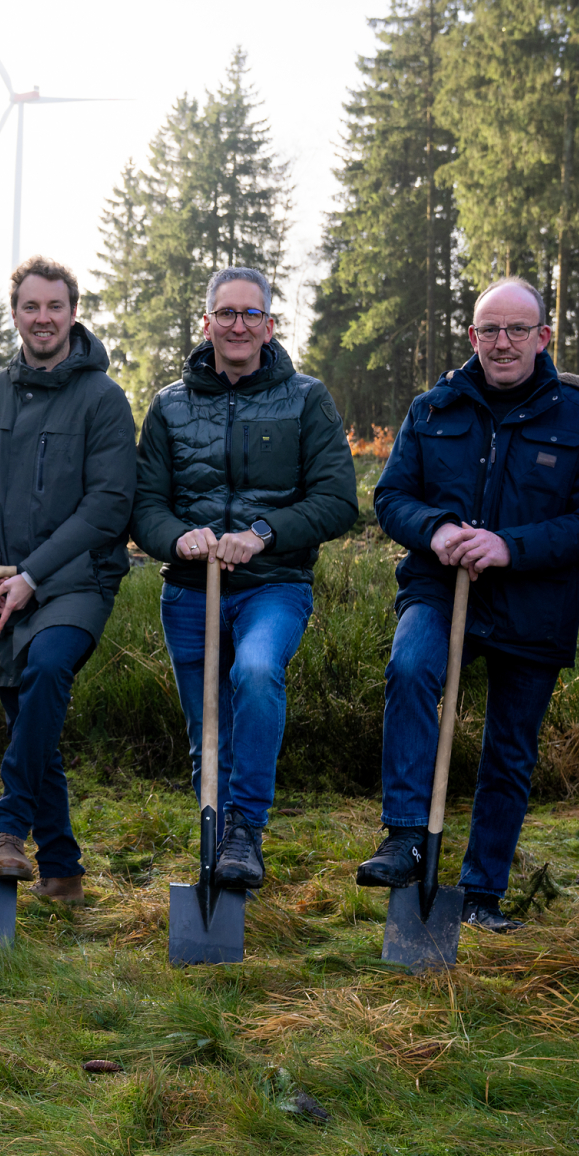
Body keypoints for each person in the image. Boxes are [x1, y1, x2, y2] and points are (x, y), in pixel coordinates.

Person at [361, 277, 579, 930]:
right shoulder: (432, 409)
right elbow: (391, 498)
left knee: (510, 748)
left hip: (534, 600)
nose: (502, 343)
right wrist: (438, 530)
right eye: (490, 331)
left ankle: (482, 894)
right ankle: (407, 836)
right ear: (471, 336)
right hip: (439, 586)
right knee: (411, 667)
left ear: (543, 337)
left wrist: (511, 547)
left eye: (518, 330)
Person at [132, 266, 360, 891]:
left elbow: (340, 501)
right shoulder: (168, 406)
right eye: (225, 314)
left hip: (273, 584)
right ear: (206, 323)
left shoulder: (307, 398)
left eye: (250, 314)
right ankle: (219, 843)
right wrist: (177, 536)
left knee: (257, 673)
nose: (237, 325)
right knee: (209, 733)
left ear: (269, 324)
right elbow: (144, 504)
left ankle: (244, 832)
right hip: (188, 590)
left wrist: (262, 532)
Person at [0, 256, 136, 904]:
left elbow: (110, 502)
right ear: (16, 314)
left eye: (54, 306)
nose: (43, 318)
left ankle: (7, 827)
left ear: (74, 312)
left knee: (49, 672)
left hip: (77, 581)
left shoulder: (104, 400)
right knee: (34, 717)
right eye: (31, 306)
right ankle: (62, 868)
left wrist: (36, 572)